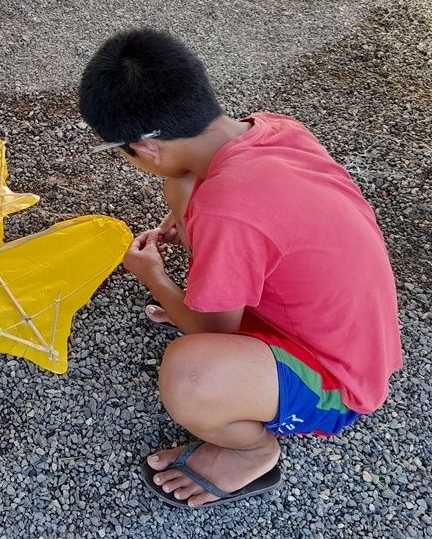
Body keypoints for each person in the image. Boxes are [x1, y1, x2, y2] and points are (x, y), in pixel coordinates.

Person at [79, 29, 402, 508]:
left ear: (146, 149)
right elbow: (247, 209)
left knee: (190, 374)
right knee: (185, 184)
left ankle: (252, 453)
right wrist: (198, 224)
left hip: (337, 382)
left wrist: (155, 278)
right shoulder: (275, 128)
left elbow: (210, 330)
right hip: (353, 332)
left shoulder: (227, 211)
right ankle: (219, 297)